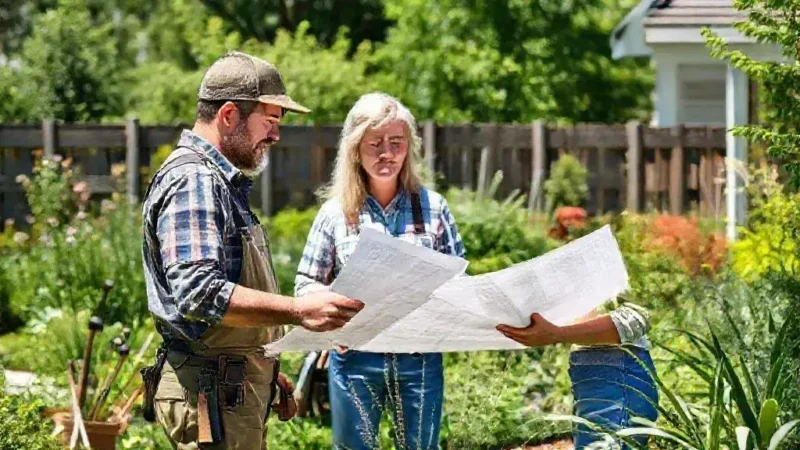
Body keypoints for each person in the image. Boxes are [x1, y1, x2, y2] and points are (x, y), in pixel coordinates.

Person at [140, 51, 364, 450]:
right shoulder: (194, 181)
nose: (276, 135)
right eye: (271, 120)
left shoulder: (219, 182)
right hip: (211, 394)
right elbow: (199, 294)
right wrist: (299, 310)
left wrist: (261, 364)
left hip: (230, 383)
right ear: (228, 115)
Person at [295, 92, 465, 450]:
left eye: (396, 142)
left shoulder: (433, 208)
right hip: (355, 358)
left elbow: (458, 279)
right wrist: (330, 312)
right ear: (355, 149)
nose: (386, 153)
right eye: (375, 143)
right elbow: (306, 283)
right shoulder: (335, 213)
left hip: (418, 358)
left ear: (409, 148)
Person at [497, 301, 658, 449]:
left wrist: (556, 334)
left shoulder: (611, 277)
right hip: (594, 388)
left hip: (620, 387)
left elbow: (636, 318)